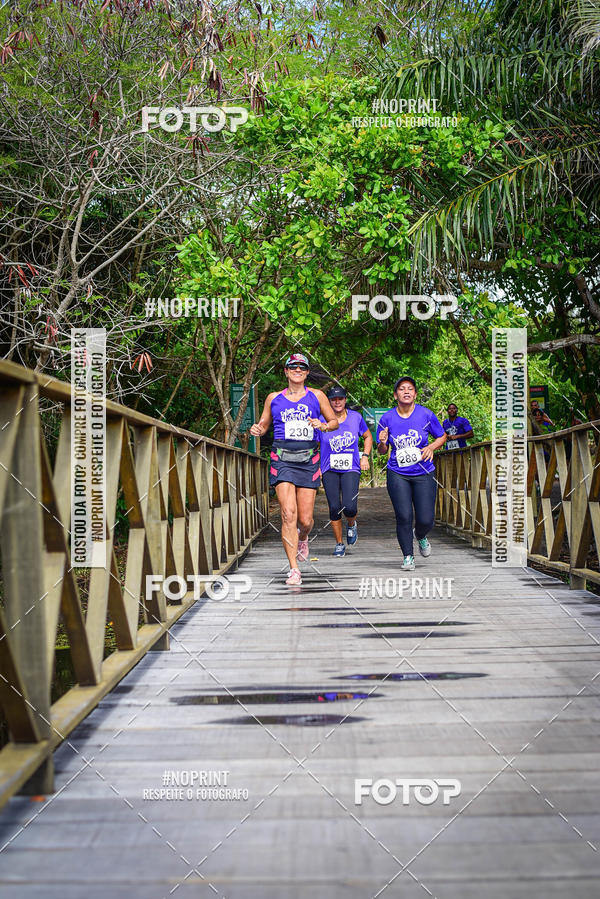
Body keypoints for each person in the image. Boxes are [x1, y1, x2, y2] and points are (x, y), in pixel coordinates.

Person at [249, 353, 338, 586]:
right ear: (286, 371)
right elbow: (263, 425)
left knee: (305, 520)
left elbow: (334, 422)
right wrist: (257, 429)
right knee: (288, 514)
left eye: (302, 367)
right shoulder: (274, 398)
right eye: (293, 367)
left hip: (308, 460)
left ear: (307, 373)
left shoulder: (317, 396)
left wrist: (323, 425)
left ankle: (303, 537)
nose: (297, 370)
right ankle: (294, 570)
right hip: (282, 460)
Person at [377, 377, 447, 571]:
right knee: (404, 515)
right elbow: (382, 451)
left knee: (426, 519)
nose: (406, 391)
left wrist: (431, 447)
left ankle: (421, 535)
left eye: (410, 389)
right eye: (402, 389)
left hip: (423, 472)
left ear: (415, 394)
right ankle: (408, 556)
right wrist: (382, 442)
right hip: (397, 473)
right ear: (395, 395)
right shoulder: (387, 418)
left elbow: (442, 436)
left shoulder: (426, 415)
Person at [318, 386, 372, 557]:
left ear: (345, 400)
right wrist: (316, 466)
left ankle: (351, 524)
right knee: (334, 507)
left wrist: (365, 457)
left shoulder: (356, 417)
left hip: (351, 468)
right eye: (333, 399)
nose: (337, 402)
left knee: (349, 507)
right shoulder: (321, 419)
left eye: (340, 399)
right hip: (329, 468)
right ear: (329, 402)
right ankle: (339, 543)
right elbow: (314, 444)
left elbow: (368, 437)